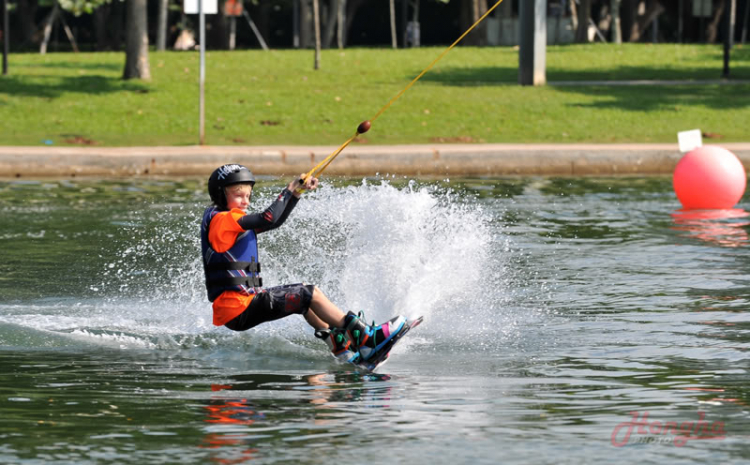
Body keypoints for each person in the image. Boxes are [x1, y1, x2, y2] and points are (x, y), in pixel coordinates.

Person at [200, 164, 408, 365]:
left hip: (236, 310)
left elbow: (276, 221)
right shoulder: (224, 220)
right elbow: (269, 217)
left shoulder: (223, 221)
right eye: (238, 195)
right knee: (310, 293)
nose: (245, 201)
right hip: (239, 307)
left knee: (302, 300)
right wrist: (290, 188)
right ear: (220, 194)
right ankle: (366, 339)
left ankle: (341, 346)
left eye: (248, 195)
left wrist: (297, 194)